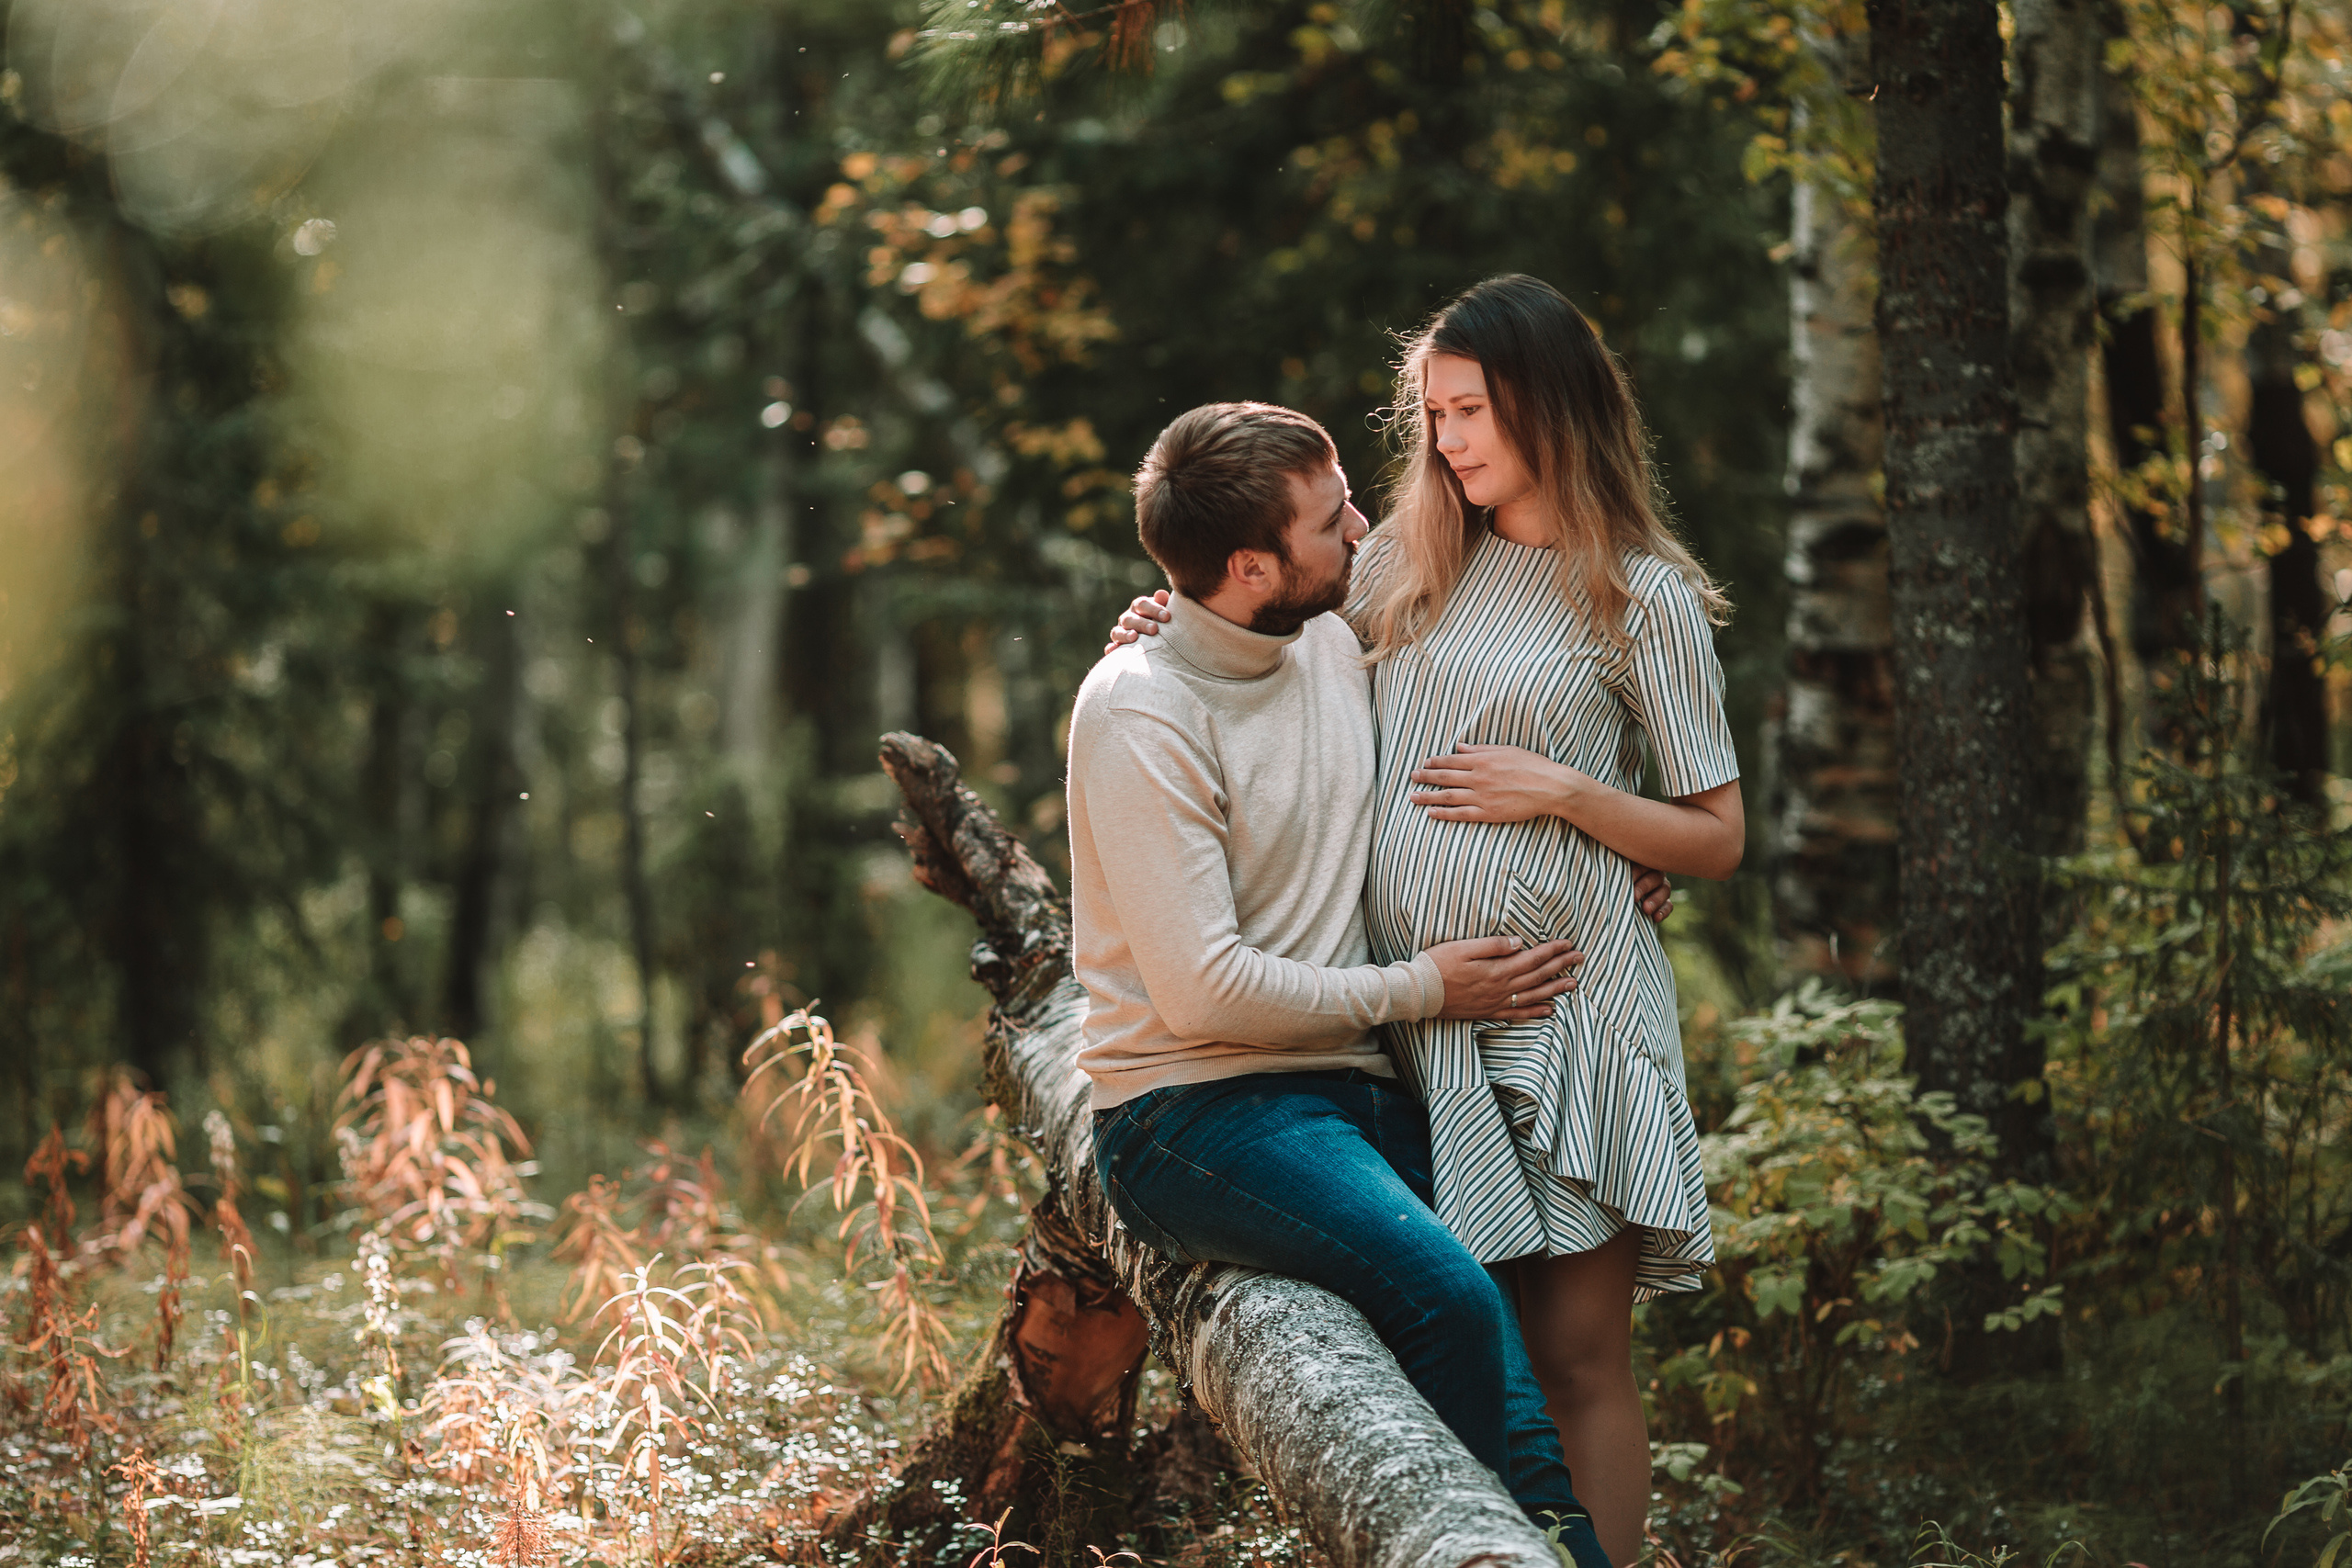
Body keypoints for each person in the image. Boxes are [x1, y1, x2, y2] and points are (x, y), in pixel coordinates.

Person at [1109, 275, 1742, 1566]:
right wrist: (1157, 619)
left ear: (1550, 405)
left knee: (1577, 1357)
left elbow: (1717, 834)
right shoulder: (1404, 560)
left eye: (1472, 410)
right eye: (1434, 413)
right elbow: (1252, 621)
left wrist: (1570, 796)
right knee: (1479, 1337)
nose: (1447, 440)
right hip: (1422, 1025)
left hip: (1566, 1007)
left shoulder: (1643, 597)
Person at [1069, 400, 1611, 1565]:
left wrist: (1617, 854)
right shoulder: (1139, 709)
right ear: (1251, 567)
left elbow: (1505, 683)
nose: (1362, 529)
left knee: (1503, 1329)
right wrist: (1422, 988)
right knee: (1446, 1297)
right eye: (1332, 520)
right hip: (1194, 1110)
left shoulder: (1325, 632)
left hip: (1355, 1086)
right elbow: (1205, 994)